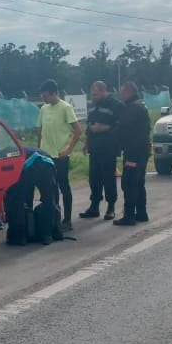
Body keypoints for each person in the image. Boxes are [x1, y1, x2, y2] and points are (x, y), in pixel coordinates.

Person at [36, 79, 82, 230]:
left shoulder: (65, 108)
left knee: (64, 186)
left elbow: (78, 130)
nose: (43, 98)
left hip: (60, 155)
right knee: (50, 188)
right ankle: (54, 218)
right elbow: (40, 130)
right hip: (45, 155)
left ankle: (67, 220)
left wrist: (69, 149)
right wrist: (38, 150)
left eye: (45, 95)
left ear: (53, 93)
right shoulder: (44, 109)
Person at [80, 80, 121, 220]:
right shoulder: (91, 106)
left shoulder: (115, 105)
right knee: (94, 178)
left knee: (108, 178)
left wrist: (105, 128)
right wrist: (86, 143)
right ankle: (94, 206)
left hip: (108, 148)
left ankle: (111, 208)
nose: (93, 96)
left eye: (96, 94)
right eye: (92, 94)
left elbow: (121, 126)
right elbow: (89, 125)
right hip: (94, 147)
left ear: (104, 91)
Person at [5, 147, 62, 245]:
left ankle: (21, 236)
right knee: (49, 200)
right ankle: (47, 235)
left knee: (20, 201)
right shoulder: (19, 150)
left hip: (29, 167)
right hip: (47, 164)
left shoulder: (6, 155)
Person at [114, 81, 150, 226]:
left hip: (133, 152)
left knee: (129, 183)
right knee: (139, 182)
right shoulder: (141, 106)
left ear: (129, 92)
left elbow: (123, 129)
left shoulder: (132, 109)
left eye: (122, 92)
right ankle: (141, 213)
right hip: (142, 151)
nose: (121, 95)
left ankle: (129, 215)